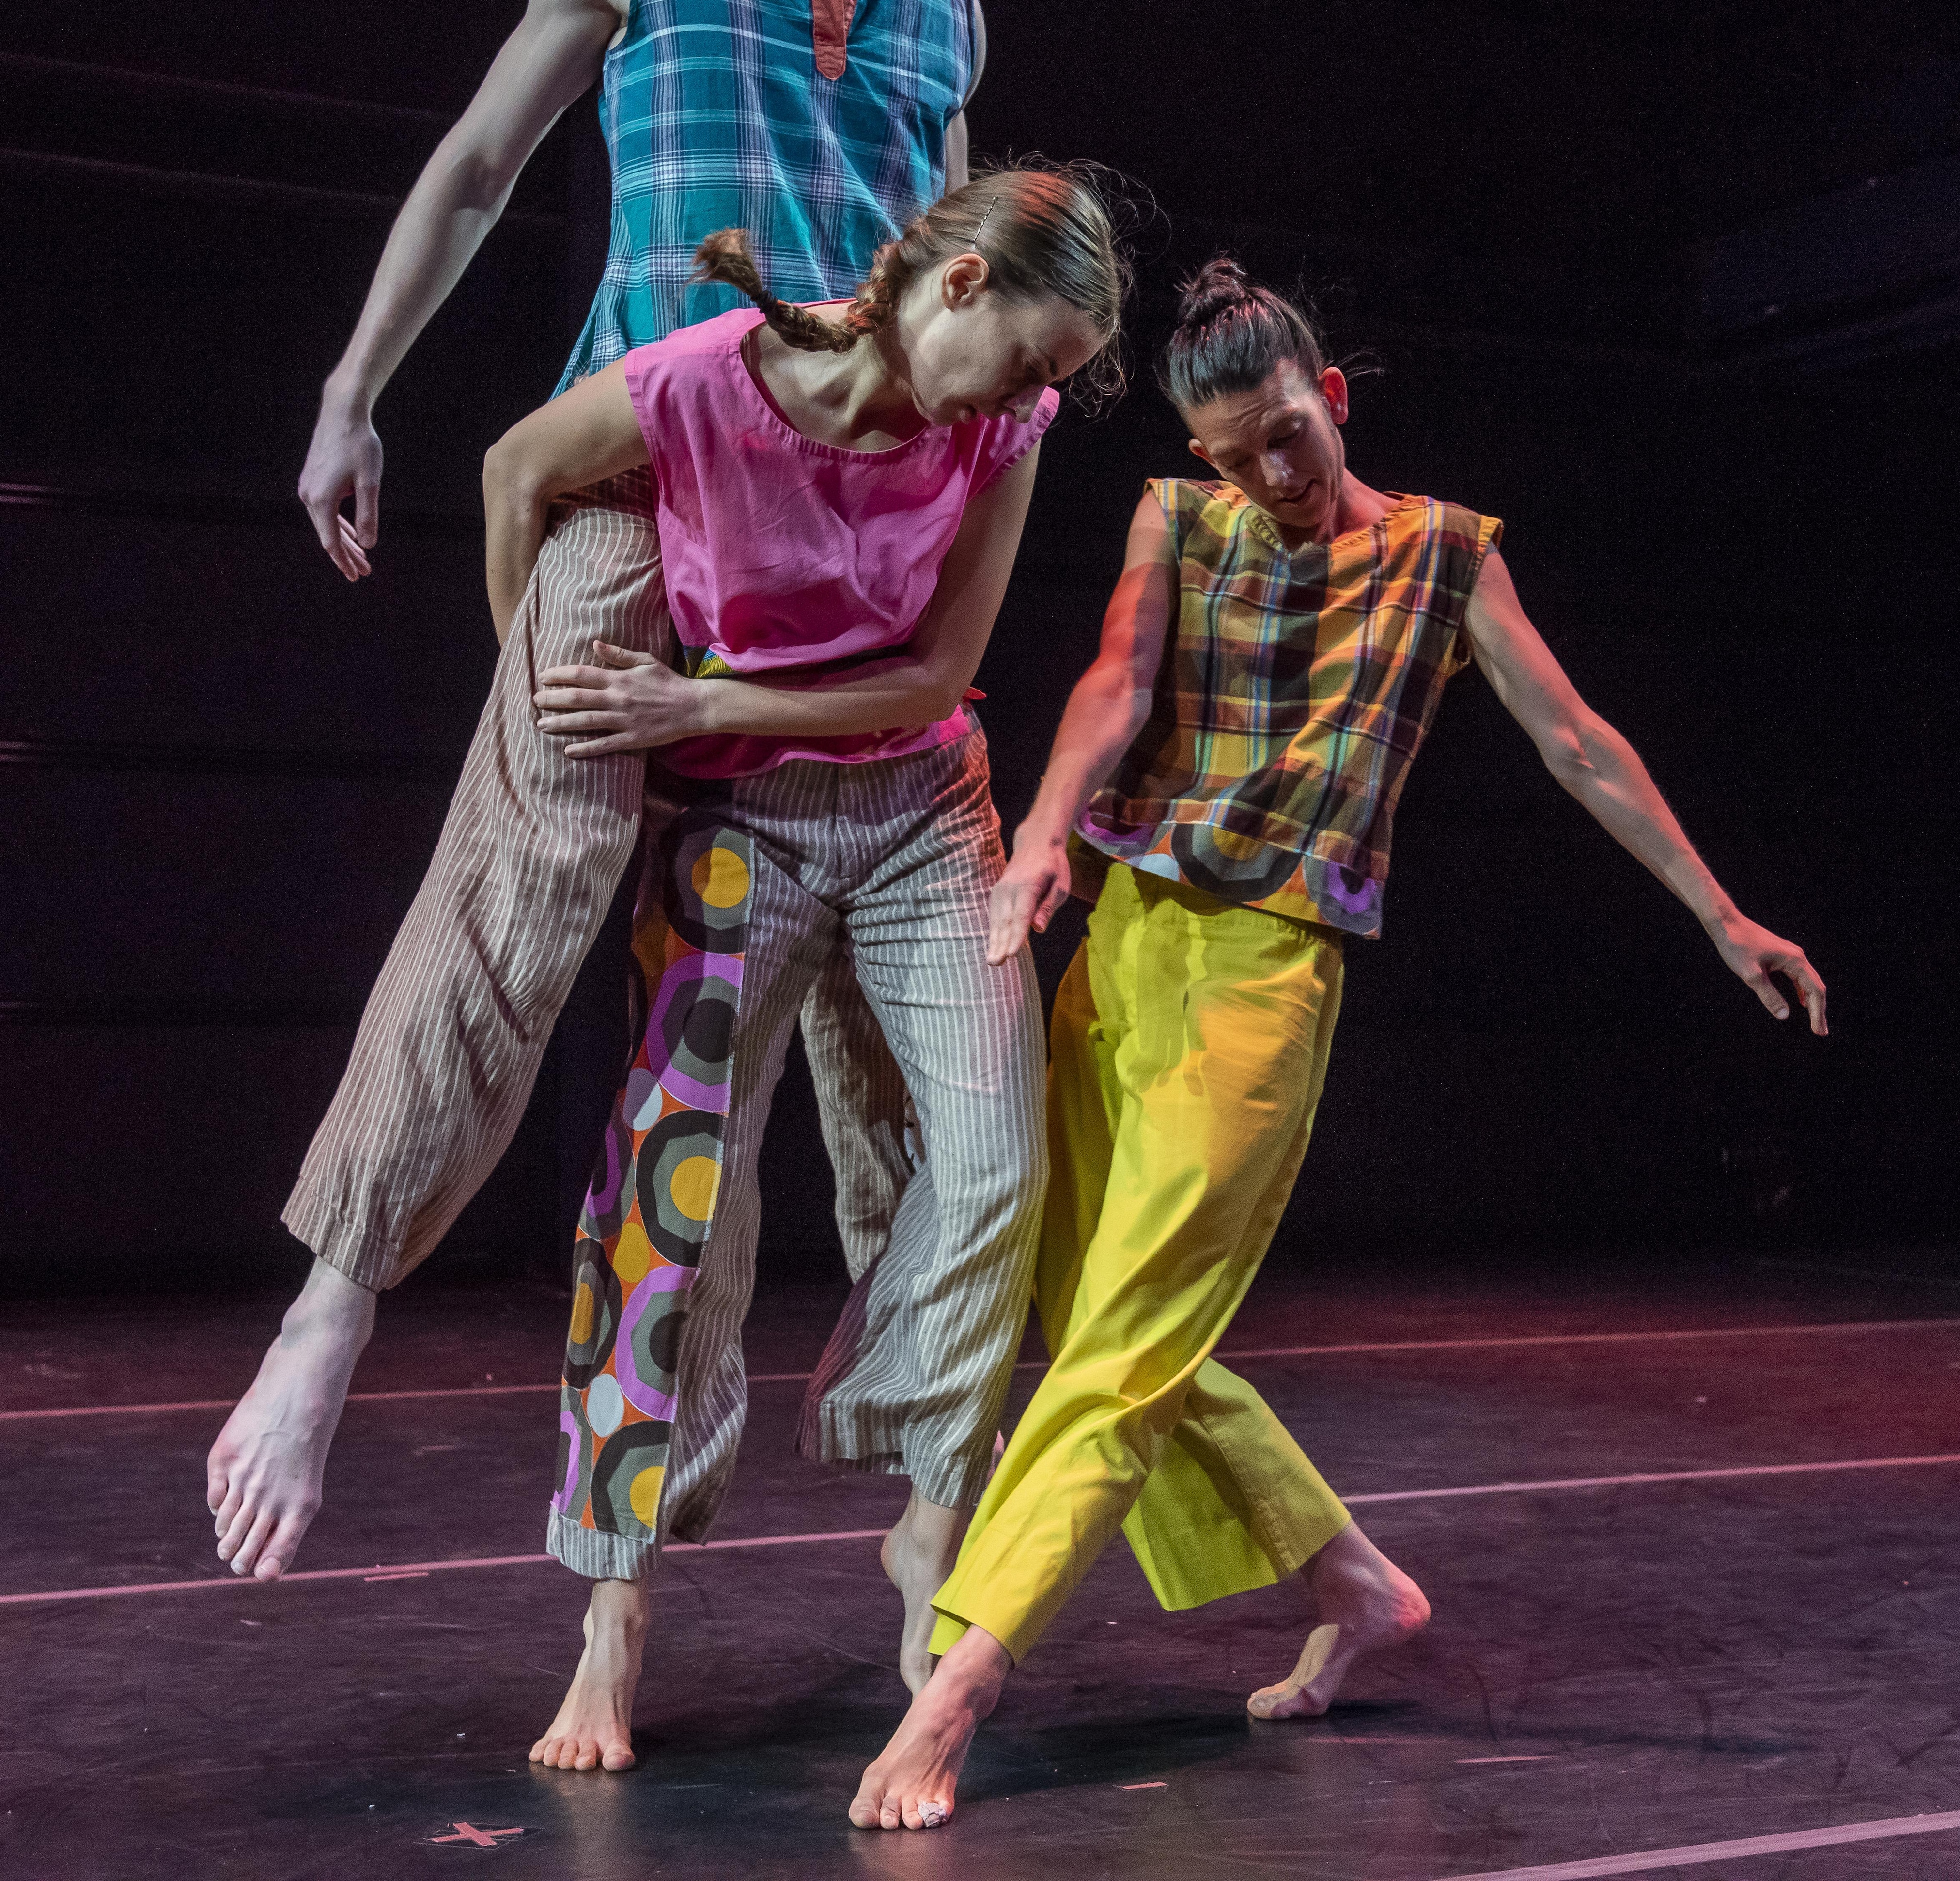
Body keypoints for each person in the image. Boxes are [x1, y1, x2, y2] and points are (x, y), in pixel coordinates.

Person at [848, 261, 1831, 1831]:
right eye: (1239, 452)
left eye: (1291, 436)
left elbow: (1575, 736)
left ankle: (965, 1670)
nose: (1272, 475)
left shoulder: (1448, 554)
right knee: (1086, 1299)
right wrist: (1042, 833)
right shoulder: (1182, 518)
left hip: (1266, 971)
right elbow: (1112, 675)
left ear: (1338, 399)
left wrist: (1719, 913)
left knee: (1126, 1337)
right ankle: (1348, 1573)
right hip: (1124, 941)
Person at [207, 0, 988, 1640]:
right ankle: (332, 1302)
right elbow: (484, 161)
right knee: (532, 861)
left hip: (847, 491)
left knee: (880, 991)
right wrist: (356, 386)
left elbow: (964, 266)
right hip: (651, 442)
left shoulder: (950, 17)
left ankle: (924, 1444)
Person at [506, 167, 1126, 1771]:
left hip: (924, 804)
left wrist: (693, 710)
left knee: (996, 1156)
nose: (1041, 396)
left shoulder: (1002, 430)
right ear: (963, 284)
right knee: (676, 1193)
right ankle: (615, 1607)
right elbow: (515, 472)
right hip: (739, 829)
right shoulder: (703, 385)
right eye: (1039, 358)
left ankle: (927, 1509)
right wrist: (563, 723)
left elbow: (938, 669)